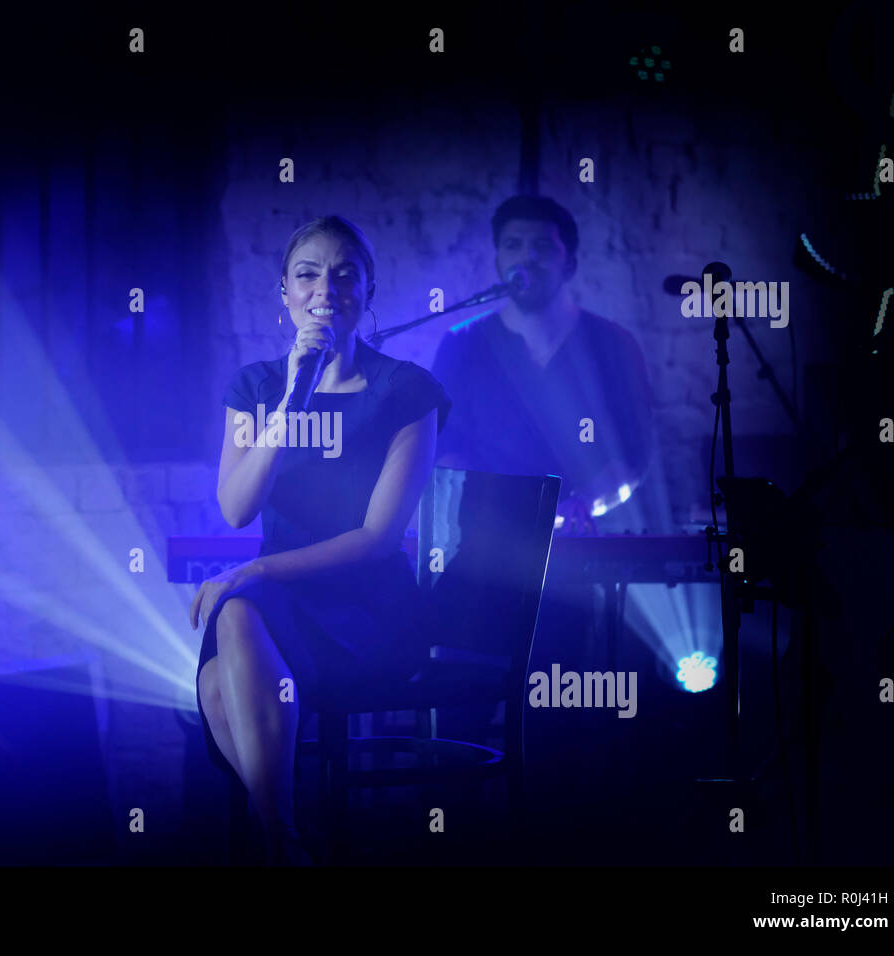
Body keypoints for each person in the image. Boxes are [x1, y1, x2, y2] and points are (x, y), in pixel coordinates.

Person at [189, 215, 451, 865]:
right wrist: (293, 398)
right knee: (227, 658)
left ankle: (276, 838)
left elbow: (379, 537)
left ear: (368, 291)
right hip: (276, 606)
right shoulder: (255, 387)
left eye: (344, 274)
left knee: (233, 636)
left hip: (368, 607)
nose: (325, 288)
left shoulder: (407, 391)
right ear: (284, 293)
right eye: (307, 274)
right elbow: (236, 508)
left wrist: (254, 574)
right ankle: (285, 837)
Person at [431, 195, 654, 533]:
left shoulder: (614, 344)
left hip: (585, 542)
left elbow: (634, 450)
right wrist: (492, 505)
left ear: (570, 264)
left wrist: (585, 502)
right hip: (485, 542)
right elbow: (442, 442)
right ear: (498, 262)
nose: (527, 258)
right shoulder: (461, 344)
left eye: (543, 246)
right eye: (513, 245)